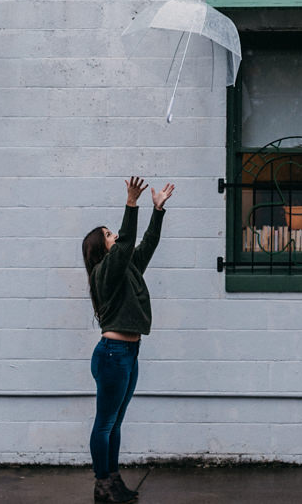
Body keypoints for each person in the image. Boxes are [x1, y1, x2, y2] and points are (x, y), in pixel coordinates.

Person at [82, 176, 174, 503]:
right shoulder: (103, 272)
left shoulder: (125, 269)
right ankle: (101, 484)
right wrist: (131, 204)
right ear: (100, 247)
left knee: (116, 422)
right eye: (108, 235)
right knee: (105, 422)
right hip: (112, 354)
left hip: (129, 353)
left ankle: (113, 479)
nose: (115, 236)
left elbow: (145, 244)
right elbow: (126, 245)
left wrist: (157, 210)